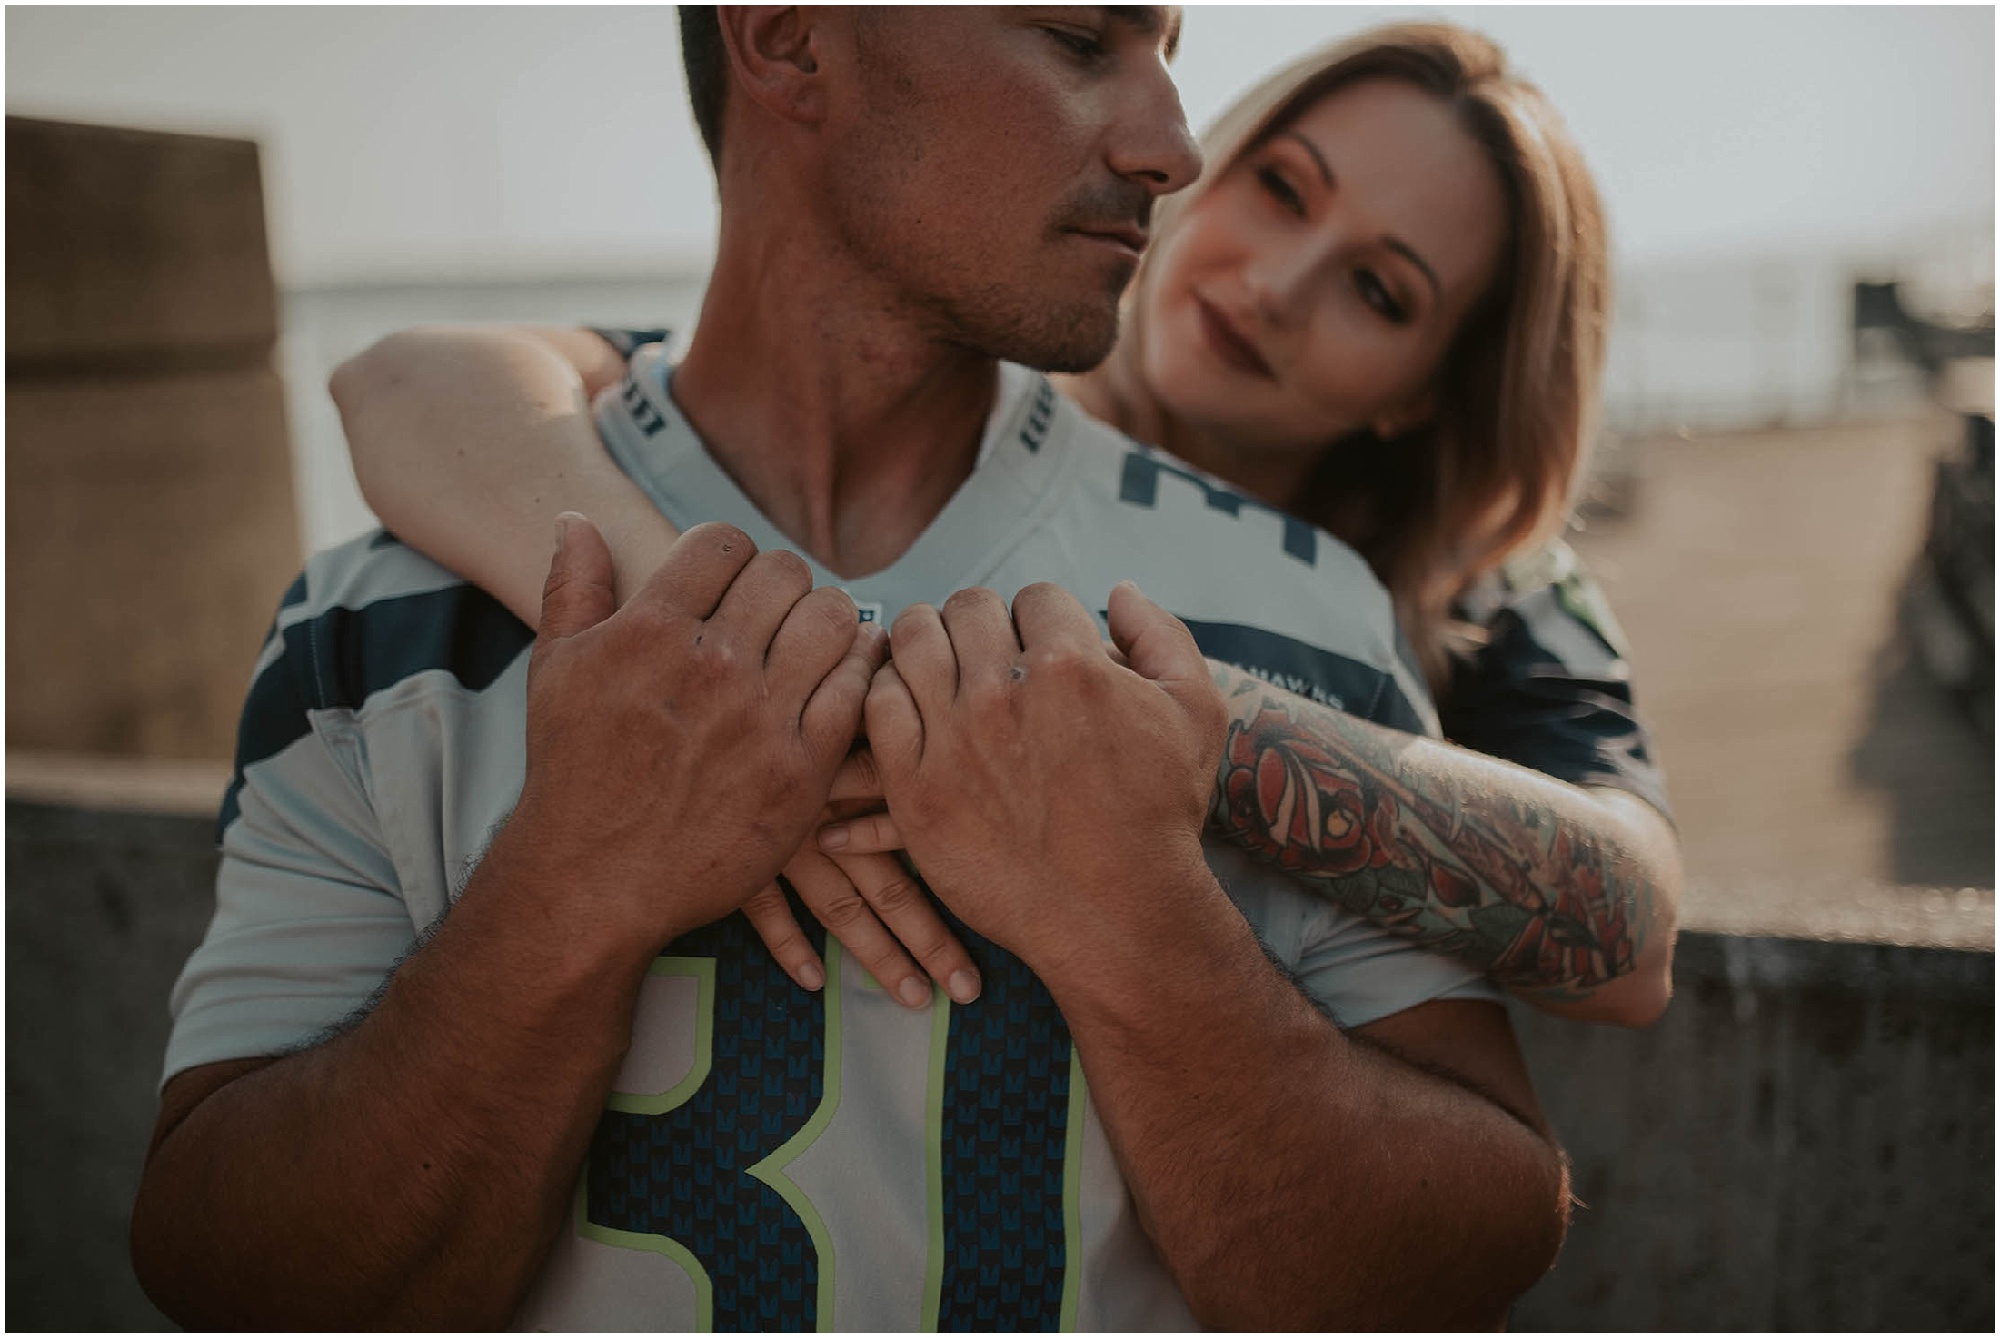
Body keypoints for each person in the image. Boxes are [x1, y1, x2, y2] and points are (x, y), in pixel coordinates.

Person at [132, 9, 1568, 1330]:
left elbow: (1465, 1261)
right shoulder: (384, 615)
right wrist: (572, 880)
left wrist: (1143, 927)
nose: (1172, 145)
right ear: (784, 37)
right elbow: (226, 1272)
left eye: (1166, 47)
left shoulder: (1300, 611)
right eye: (1079, 35)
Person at [336, 20, 1682, 1025]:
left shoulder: (1493, 593)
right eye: (1283, 187)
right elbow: (413, 385)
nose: (1274, 284)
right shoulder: (956, 373)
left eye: (1379, 292)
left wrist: (1165, 732)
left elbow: (1629, 929)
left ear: (1427, 398)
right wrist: (742, 664)